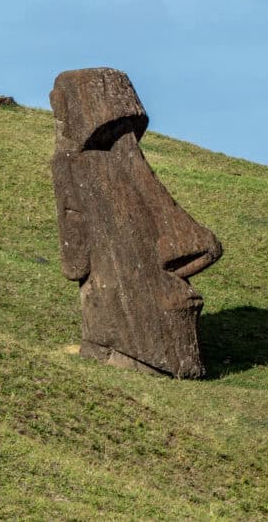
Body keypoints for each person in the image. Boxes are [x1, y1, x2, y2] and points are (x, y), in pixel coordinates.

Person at [50, 68, 222, 378]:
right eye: (117, 161)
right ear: (72, 223)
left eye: (136, 153)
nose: (200, 245)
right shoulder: (74, 170)